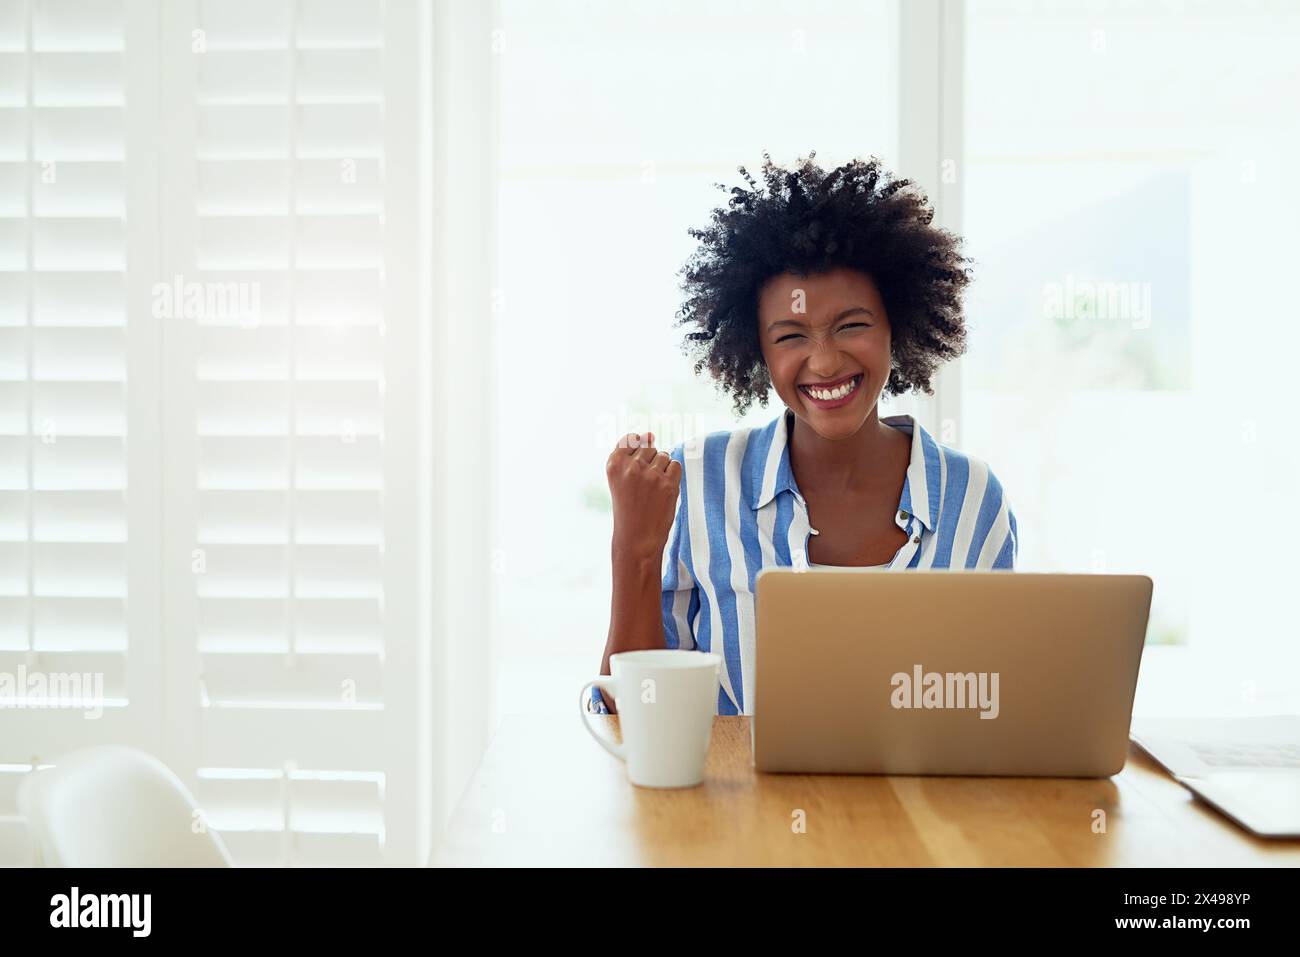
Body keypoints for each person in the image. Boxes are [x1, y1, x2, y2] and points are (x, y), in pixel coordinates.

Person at [593, 153, 1018, 717]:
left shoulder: (973, 499)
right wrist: (633, 548)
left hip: (917, 807)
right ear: (757, 350)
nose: (823, 361)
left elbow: (997, 711)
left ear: (898, 324)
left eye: (853, 325)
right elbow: (632, 723)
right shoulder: (698, 482)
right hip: (732, 809)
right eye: (791, 336)